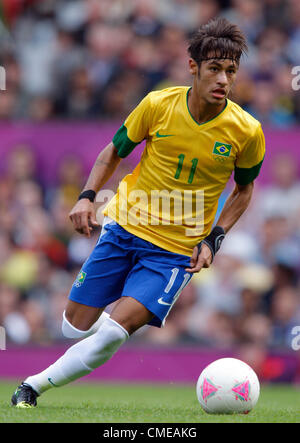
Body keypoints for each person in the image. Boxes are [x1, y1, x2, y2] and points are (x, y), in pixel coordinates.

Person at [11, 17, 265, 408]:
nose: (223, 80)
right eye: (214, 68)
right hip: (124, 228)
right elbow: (114, 150)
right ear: (193, 67)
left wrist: (215, 238)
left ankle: (31, 387)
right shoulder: (157, 105)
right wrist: (86, 196)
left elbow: (244, 189)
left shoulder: (247, 131)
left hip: (173, 254)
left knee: (115, 331)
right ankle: (84, 338)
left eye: (231, 71)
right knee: (72, 327)